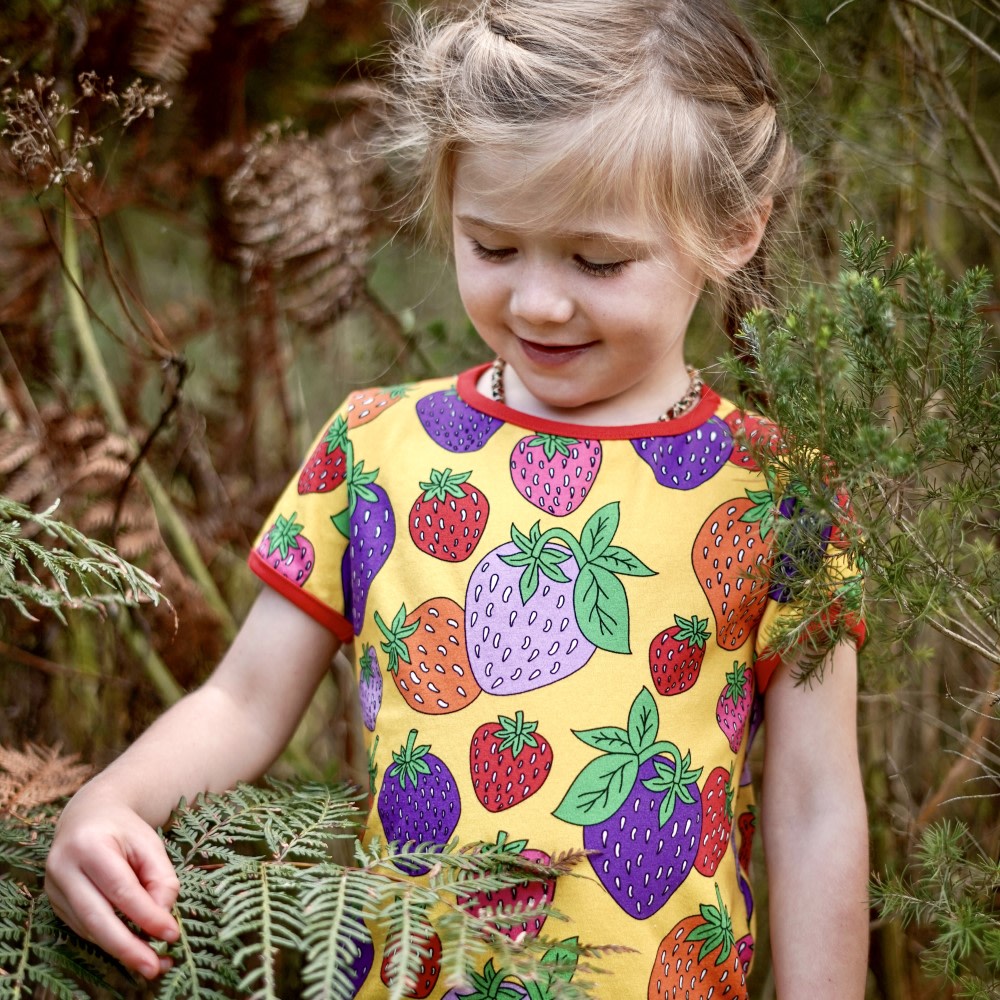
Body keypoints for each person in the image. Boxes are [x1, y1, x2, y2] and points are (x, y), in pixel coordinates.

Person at [45, 0, 870, 996]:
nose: (537, 301)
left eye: (597, 260)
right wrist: (108, 804)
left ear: (735, 228)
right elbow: (244, 696)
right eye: (493, 246)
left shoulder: (774, 494)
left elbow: (818, 804)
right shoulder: (378, 447)